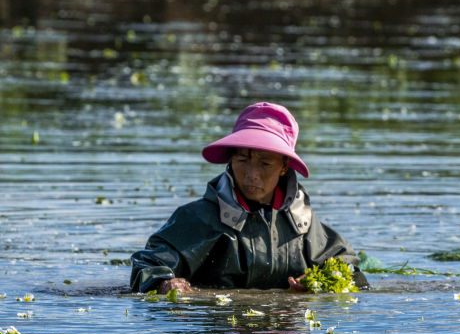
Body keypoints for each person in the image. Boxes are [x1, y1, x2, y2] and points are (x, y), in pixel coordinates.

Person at [130, 102, 367, 293]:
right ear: (231, 159)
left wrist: (318, 280)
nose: (252, 175)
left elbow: (350, 270)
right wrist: (164, 283)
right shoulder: (199, 218)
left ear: (284, 166)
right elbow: (148, 265)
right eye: (243, 160)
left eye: (265, 163)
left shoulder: (301, 222)